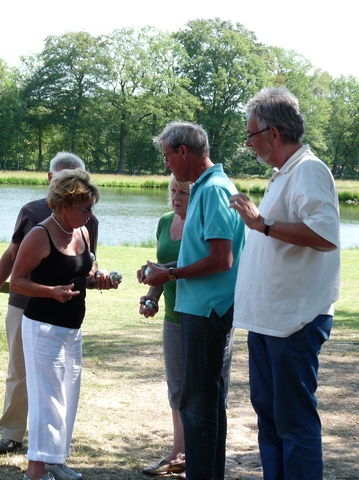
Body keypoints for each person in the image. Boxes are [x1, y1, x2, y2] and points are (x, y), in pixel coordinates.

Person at [230, 87, 340, 480]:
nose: (249, 143)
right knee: (270, 419)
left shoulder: (309, 170)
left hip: (294, 323)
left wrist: (262, 223)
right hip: (269, 322)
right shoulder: (284, 174)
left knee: (294, 422)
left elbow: (324, 235)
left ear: (273, 134)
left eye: (251, 135)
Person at [138, 121, 244, 480]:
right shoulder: (205, 188)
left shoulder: (213, 190)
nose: (167, 164)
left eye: (167, 156)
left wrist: (170, 275)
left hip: (207, 312)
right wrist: (165, 269)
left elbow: (221, 259)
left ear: (184, 151)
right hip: (200, 310)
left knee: (199, 409)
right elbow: (199, 254)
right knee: (204, 405)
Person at [0, 152, 105, 455]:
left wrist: (98, 279)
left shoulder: (87, 220)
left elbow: (85, 266)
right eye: (63, 177)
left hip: (65, 315)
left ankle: (52, 447)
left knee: (59, 381)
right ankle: (12, 433)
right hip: (25, 305)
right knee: (19, 370)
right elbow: (11, 258)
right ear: (54, 182)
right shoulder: (32, 213)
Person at [11, 169, 116, 480]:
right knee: (47, 399)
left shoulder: (82, 232)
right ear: (64, 204)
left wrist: (100, 279)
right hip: (43, 328)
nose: (90, 214)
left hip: (72, 329)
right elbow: (17, 281)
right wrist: (51, 292)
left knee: (68, 397)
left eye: (91, 207)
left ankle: (56, 462)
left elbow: (84, 274)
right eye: (85, 208)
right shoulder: (39, 235)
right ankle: (35, 472)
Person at [138, 175, 190, 476]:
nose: (176, 197)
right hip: (173, 316)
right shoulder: (165, 221)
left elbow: (197, 263)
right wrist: (152, 296)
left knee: (198, 390)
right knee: (176, 388)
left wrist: (159, 273)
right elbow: (162, 271)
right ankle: (178, 452)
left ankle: (198, 452)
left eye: (183, 192)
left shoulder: (201, 223)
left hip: (200, 315)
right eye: (173, 190)